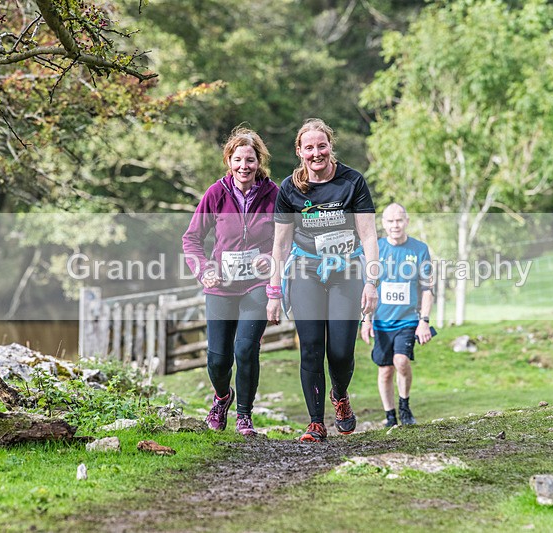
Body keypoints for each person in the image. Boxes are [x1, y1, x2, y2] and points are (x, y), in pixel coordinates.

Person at [267, 118, 379, 443]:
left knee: (341, 351)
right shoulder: (289, 188)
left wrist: (371, 282)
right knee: (312, 348)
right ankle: (315, 423)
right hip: (305, 270)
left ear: (330, 146)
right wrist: (274, 292)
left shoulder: (352, 181)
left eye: (322, 145)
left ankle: (340, 395)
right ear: (299, 151)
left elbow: (369, 236)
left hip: (347, 271)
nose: (317, 153)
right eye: (309, 147)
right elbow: (280, 245)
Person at [182, 126, 279, 436]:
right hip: (221, 284)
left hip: (256, 284)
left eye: (250, 160)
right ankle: (223, 397)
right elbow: (192, 238)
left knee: (246, 349)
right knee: (218, 359)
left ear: (259, 161)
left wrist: (270, 259)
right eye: (238, 159)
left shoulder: (273, 194)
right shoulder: (216, 193)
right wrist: (204, 269)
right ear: (228, 160)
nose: (244, 166)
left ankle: (244, 415)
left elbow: (285, 237)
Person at [360, 203, 435, 427]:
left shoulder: (419, 249)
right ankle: (390, 416)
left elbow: (427, 289)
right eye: (390, 221)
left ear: (407, 221)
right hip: (382, 320)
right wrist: (366, 320)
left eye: (399, 220)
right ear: (383, 224)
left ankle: (404, 406)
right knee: (385, 371)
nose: (395, 225)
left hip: (408, 319)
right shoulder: (376, 249)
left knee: (401, 361)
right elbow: (366, 288)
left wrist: (424, 321)